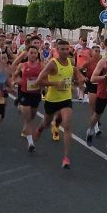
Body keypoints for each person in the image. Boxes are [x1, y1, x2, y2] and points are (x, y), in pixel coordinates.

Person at [34, 40, 85, 169]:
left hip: (66, 99)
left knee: (67, 125)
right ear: (56, 50)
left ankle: (66, 157)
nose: (64, 51)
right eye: (61, 49)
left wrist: (80, 78)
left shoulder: (71, 62)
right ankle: (40, 129)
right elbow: (39, 80)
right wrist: (55, 84)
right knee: (46, 123)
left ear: (70, 50)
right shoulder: (52, 64)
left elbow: (75, 72)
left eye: (66, 49)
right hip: (52, 100)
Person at [13, 45, 43, 152]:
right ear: (27, 54)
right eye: (31, 52)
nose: (33, 54)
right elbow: (15, 75)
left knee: (32, 115)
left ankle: (19, 106)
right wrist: (17, 81)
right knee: (28, 119)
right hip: (25, 93)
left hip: (36, 94)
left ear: (37, 54)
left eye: (35, 53)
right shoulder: (22, 65)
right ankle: (31, 143)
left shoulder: (41, 66)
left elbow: (45, 77)